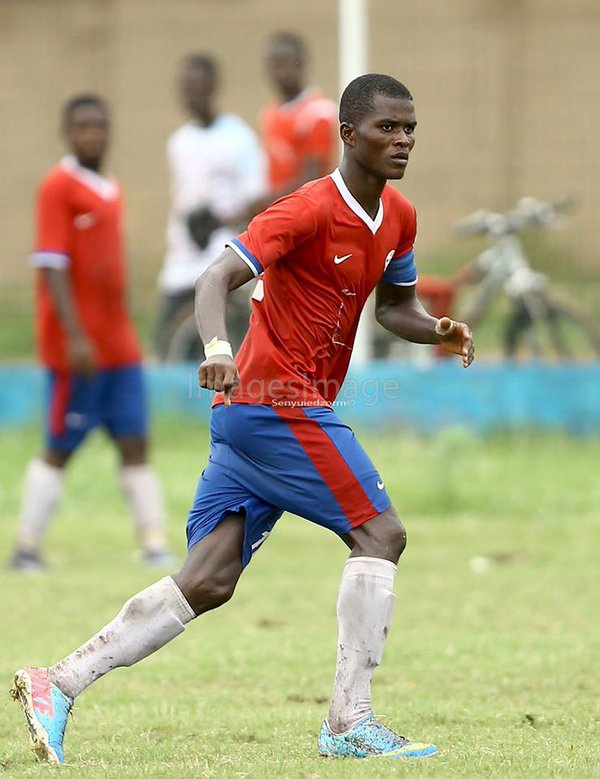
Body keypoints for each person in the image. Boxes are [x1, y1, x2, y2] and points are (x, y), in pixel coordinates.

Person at [11, 74, 474, 763]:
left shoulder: (398, 216)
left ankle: (60, 680)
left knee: (209, 578)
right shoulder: (305, 209)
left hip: (254, 416)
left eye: (409, 128)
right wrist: (219, 348)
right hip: (274, 404)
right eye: (387, 128)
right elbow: (213, 278)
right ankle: (350, 722)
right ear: (349, 135)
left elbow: (393, 305)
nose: (402, 140)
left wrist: (435, 328)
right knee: (381, 532)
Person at [7, 95, 173, 572]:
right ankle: (26, 548)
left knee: (135, 440)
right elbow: (52, 266)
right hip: (76, 350)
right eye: (82, 127)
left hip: (118, 344)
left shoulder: (111, 188)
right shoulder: (58, 187)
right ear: (66, 132)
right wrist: (75, 337)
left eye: (99, 126)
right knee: (60, 445)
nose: (91, 135)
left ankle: (154, 542)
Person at [156, 54, 266, 359]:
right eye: (184, 86)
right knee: (167, 343)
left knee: (223, 342)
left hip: (221, 253)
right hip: (182, 258)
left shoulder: (238, 138)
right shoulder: (179, 142)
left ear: (213, 86)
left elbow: (256, 199)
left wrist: (220, 221)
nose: (190, 93)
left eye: (196, 85)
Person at [261, 31, 337, 201]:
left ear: (301, 63)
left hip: (307, 213)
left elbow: (312, 181)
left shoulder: (318, 112)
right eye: (274, 63)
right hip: (278, 212)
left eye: (285, 63)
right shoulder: (271, 112)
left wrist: (264, 202)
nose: (279, 71)